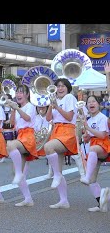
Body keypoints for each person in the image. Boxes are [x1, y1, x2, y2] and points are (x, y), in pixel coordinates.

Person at [44, 78, 78, 209]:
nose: (60, 88)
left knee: (48, 147)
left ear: (68, 88)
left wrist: (57, 107)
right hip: (56, 130)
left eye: (63, 86)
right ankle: (63, 200)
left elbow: (69, 117)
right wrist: (51, 105)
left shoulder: (70, 97)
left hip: (67, 131)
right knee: (58, 167)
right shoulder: (55, 100)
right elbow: (48, 118)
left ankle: (56, 174)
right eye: (58, 86)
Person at [5, 84, 38, 207]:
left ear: (27, 94)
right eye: (17, 92)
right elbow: (12, 123)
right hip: (20, 136)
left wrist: (17, 108)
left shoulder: (31, 106)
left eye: (21, 92)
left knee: (10, 144)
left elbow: (28, 118)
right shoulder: (17, 108)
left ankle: (19, 173)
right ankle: (28, 198)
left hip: (28, 136)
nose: (18, 95)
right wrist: (13, 109)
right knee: (16, 173)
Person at [78, 96, 110, 212]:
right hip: (94, 147)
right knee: (92, 180)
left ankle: (86, 177)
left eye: (93, 101)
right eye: (89, 102)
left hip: (103, 146)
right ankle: (101, 204)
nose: (91, 103)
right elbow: (89, 137)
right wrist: (86, 137)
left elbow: (102, 135)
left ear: (99, 104)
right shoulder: (89, 120)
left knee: (93, 149)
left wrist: (88, 129)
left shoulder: (102, 117)